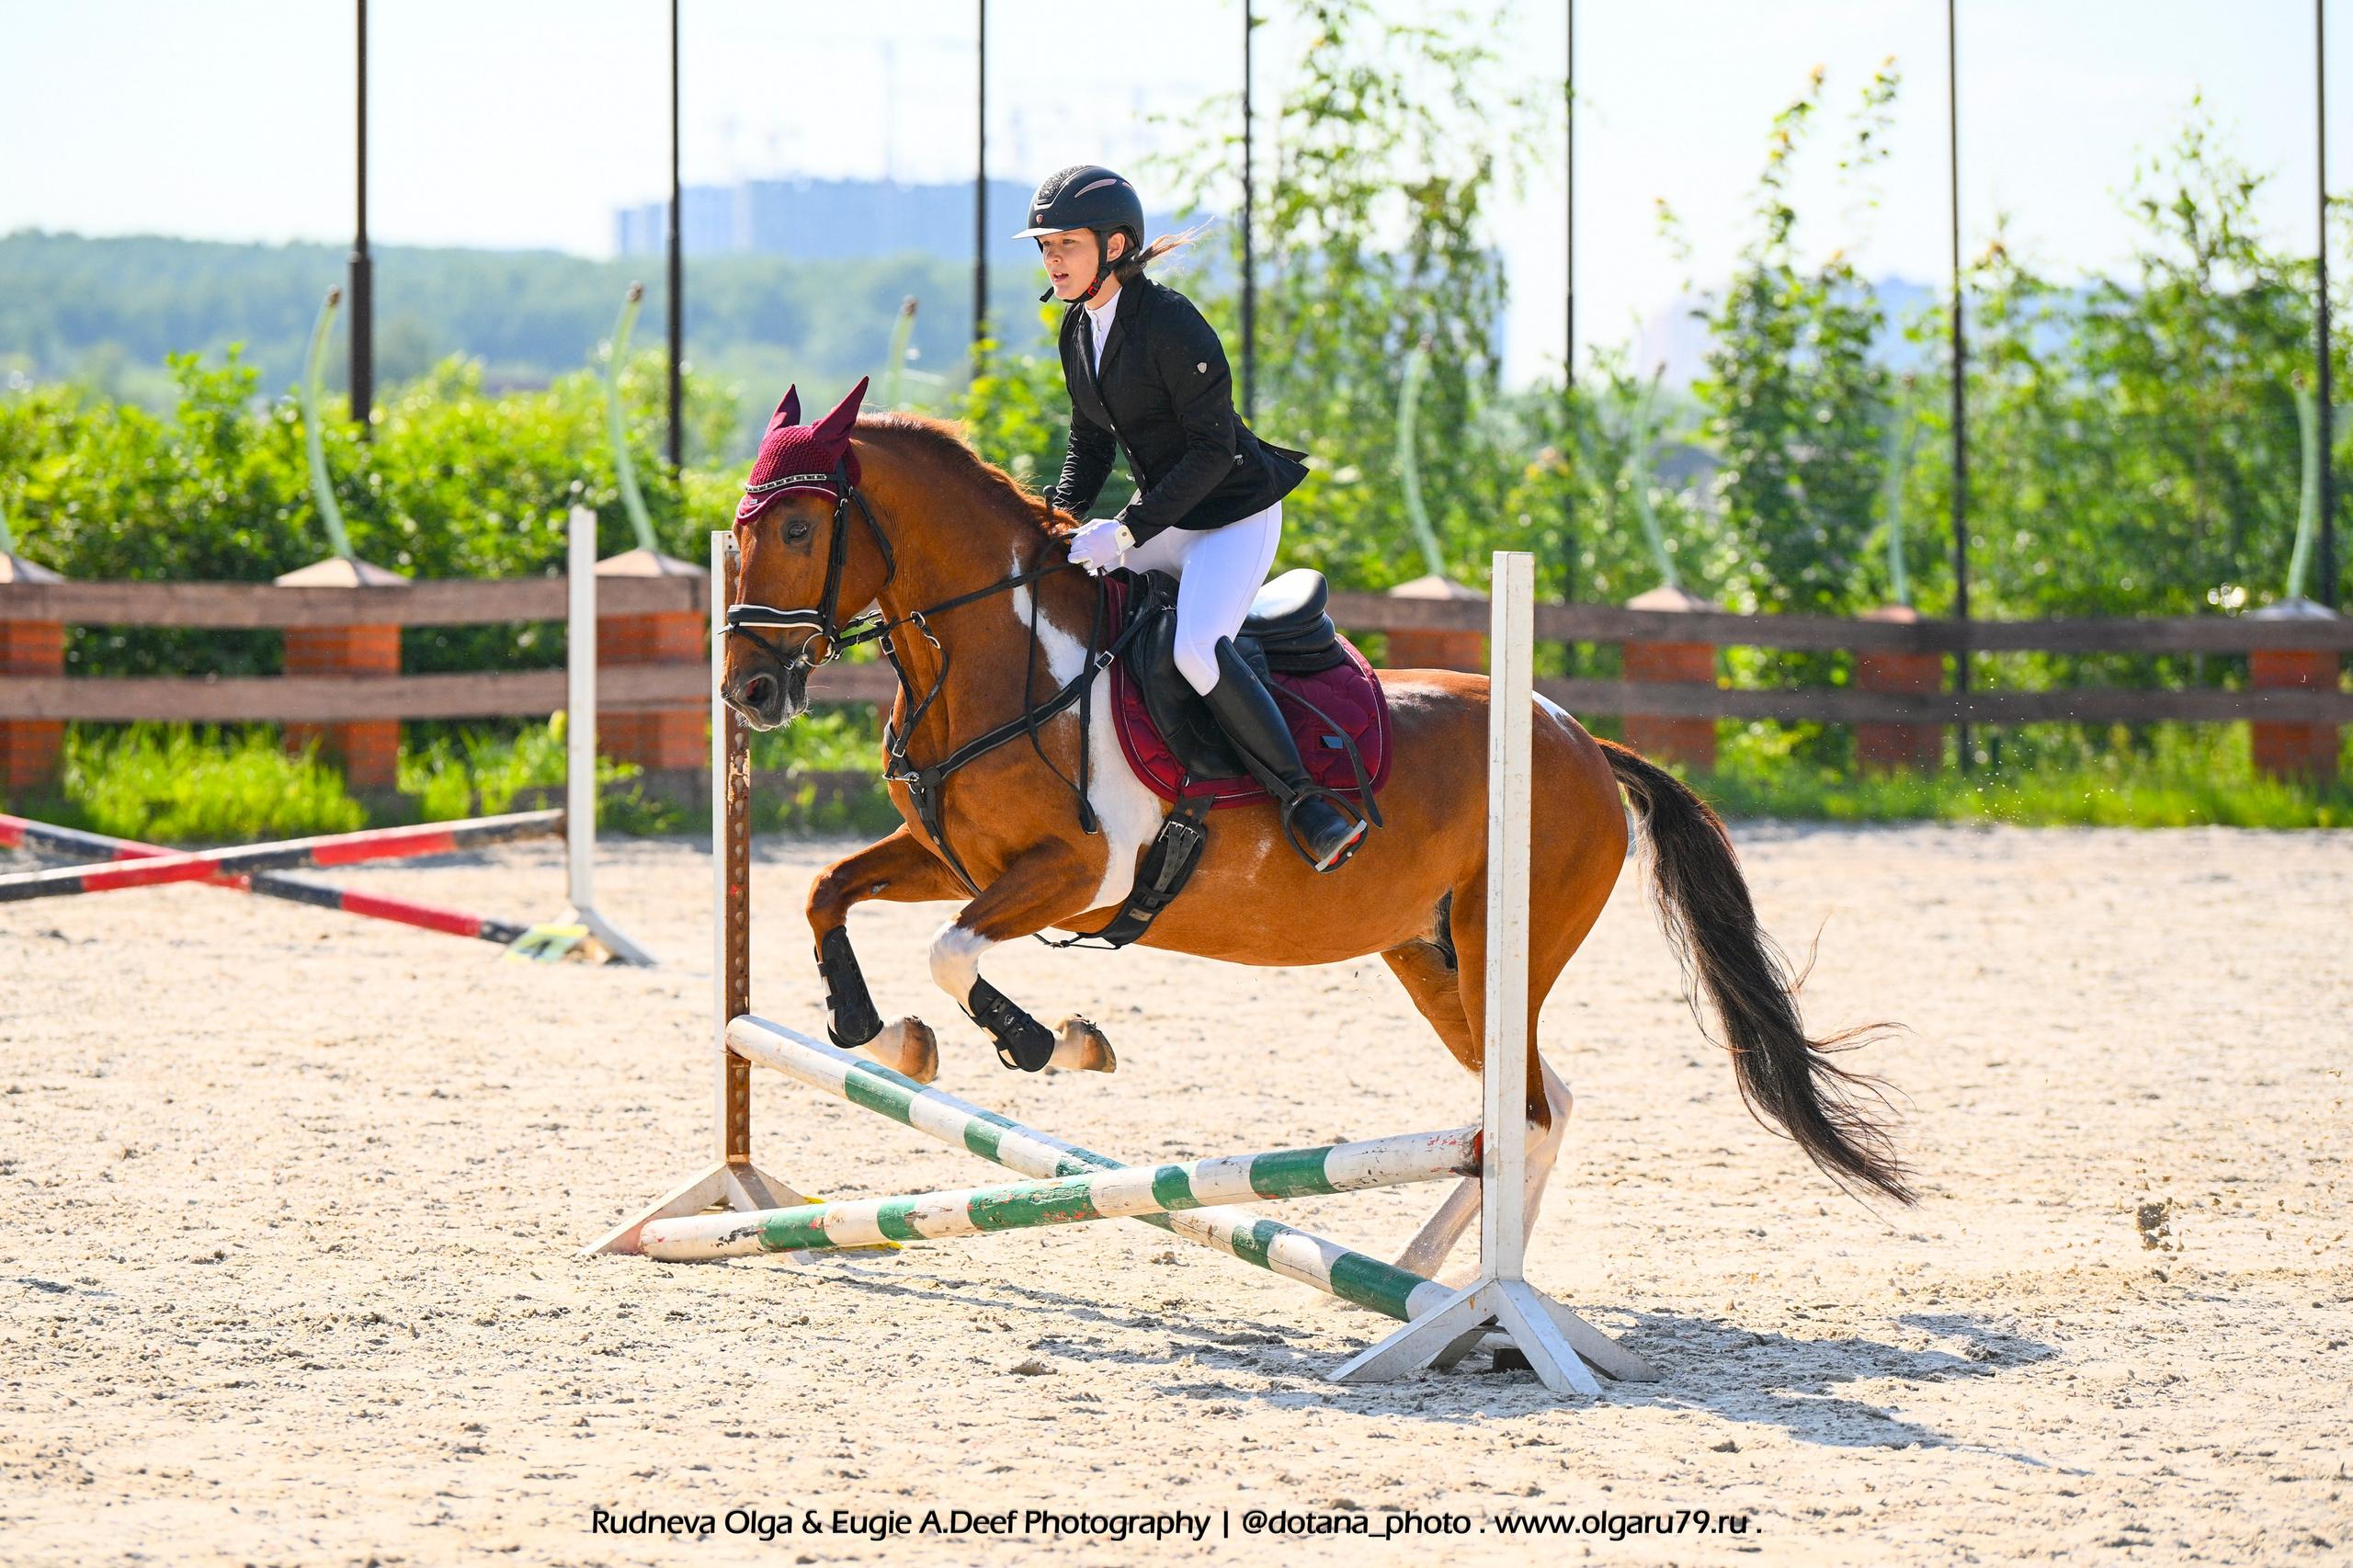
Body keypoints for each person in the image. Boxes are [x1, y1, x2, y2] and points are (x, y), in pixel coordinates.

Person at [1014, 164, 1366, 872]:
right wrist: (1055, 522)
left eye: (1066, 245)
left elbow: (1212, 452)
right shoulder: (1078, 328)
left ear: (1115, 247)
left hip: (1233, 515)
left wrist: (1130, 529)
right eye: (1045, 246)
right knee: (1071, 600)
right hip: (1168, 515)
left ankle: (1304, 801)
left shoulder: (1172, 324)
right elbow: (1089, 443)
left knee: (1194, 649)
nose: (1052, 259)